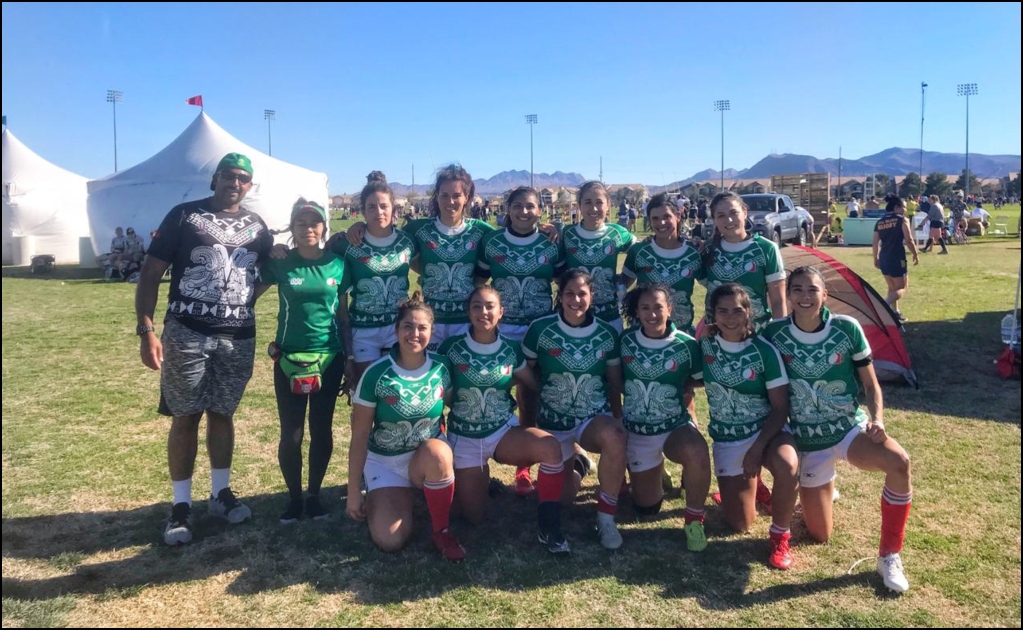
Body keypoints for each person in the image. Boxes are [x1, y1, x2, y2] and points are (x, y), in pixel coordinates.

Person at [135, 153, 273, 546]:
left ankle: (220, 493)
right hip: (187, 333)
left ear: (249, 185)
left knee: (223, 413)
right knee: (185, 416)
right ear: (214, 180)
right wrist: (146, 328)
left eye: (243, 179)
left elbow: (264, 273)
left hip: (237, 338)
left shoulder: (257, 226)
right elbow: (150, 273)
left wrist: (243, 300)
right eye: (229, 176)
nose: (236, 183)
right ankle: (181, 505)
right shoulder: (183, 215)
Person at [764, 266, 913, 593]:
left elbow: (871, 385)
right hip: (806, 442)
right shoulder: (772, 334)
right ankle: (821, 488)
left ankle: (889, 555)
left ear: (825, 295)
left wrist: (878, 419)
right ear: (787, 295)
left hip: (848, 429)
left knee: (899, 462)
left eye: (812, 290)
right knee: (820, 535)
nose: (805, 296)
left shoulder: (847, 327)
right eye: (797, 289)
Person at [440, 286, 570, 554]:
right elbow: (440, 393)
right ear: (468, 311)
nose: (483, 312)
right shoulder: (451, 348)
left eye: (490, 306)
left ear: (501, 312)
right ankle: (484, 482)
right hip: (465, 436)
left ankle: (549, 526)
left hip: (502, 432)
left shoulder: (511, 349)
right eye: (476, 306)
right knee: (474, 518)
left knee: (550, 447)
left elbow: (533, 384)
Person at [346, 292, 465, 561]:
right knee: (390, 540)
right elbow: (361, 435)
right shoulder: (376, 374)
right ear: (396, 330)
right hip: (386, 463)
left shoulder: (442, 368)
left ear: (432, 332)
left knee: (438, 452)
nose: (414, 333)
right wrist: (354, 490)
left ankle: (441, 531)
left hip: (426, 457)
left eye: (422, 327)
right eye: (407, 326)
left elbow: (455, 403)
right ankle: (398, 494)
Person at [695, 283, 799, 569]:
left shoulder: (764, 350)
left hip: (767, 431)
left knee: (788, 465)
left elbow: (780, 409)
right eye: (722, 311)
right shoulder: (704, 346)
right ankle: (758, 489)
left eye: (737, 310)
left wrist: (756, 449)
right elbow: (688, 377)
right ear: (713, 314)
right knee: (740, 524)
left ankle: (780, 536)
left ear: (748, 312)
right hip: (728, 438)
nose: (730, 317)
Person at [522, 269, 628, 550]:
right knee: (564, 500)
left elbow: (615, 382)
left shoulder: (606, 333)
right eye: (569, 293)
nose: (576, 299)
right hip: (552, 421)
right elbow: (526, 380)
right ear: (560, 296)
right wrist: (529, 422)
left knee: (615, 436)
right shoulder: (540, 329)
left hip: (592, 417)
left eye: (582, 293)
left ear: (592, 297)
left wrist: (618, 420)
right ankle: (578, 465)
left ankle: (606, 519)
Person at [261, 199, 352, 524]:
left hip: (329, 358)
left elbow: (343, 314)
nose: (308, 229)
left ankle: (314, 496)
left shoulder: (338, 265)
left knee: (322, 429)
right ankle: (294, 498)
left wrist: (350, 355)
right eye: (301, 223)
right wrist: (269, 249)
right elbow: (249, 292)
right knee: (292, 433)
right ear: (293, 228)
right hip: (289, 358)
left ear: (324, 227)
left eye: (314, 223)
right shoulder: (281, 264)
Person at [475, 187, 564, 497]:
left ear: (540, 211)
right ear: (507, 208)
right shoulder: (493, 242)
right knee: (493, 391)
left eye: (530, 207)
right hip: (503, 331)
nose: (524, 212)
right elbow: (479, 280)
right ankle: (474, 459)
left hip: (539, 330)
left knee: (531, 395)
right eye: (517, 206)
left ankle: (524, 467)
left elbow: (564, 282)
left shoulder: (552, 243)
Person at [620, 283, 711, 552]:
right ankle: (656, 472)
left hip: (674, 426)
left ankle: (694, 519)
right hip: (638, 430)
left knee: (696, 450)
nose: (652, 314)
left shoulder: (686, 345)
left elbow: (699, 380)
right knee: (646, 509)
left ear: (669, 309)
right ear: (636, 311)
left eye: (658, 307)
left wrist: (682, 387)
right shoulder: (625, 341)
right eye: (645, 308)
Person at [331, 172, 416, 386]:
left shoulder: (407, 241)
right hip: (363, 331)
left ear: (393, 210)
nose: (379, 212)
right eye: (371, 207)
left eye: (384, 206)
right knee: (366, 392)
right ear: (362, 211)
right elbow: (316, 255)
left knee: (397, 392)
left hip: (399, 327)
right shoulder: (347, 243)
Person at [700, 192, 787, 333]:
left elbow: (778, 301)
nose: (728, 220)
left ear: (745, 213)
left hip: (756, 335)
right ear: (714, 220)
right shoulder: (708, 249)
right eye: (721, 215)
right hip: (716, 336)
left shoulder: (767, 248)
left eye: (733, 213)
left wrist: (778, 335)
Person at [560, 181, 636, 332]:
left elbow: (641, 251)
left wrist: (625, 280)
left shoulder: (617, 233)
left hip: (609, 316)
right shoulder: (566, 234)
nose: (594, 208)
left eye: (599, 202)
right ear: (579, 205)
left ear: (608, 205)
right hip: (574, 315)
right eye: (587, 202)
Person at [622, 194, 703, 335]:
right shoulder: (638, 251)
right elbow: (622, 286)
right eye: (655, 218)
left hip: (680, 335)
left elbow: (715, 287)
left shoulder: (694, 252)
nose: (662, 223)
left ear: (678, 216)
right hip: (642, 334)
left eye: (667, 217)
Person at [872, 194, 919, 322]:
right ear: (896, 207)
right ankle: (882, 305)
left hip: (884, 257)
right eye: (903, 207)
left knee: (892, 288)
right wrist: (915, 253)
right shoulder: (902, 220)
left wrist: (875, 258)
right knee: (902, 288)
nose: (905, 210)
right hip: (897, 257)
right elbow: (909, 239)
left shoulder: (880, 222)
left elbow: (875, 243)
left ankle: (895, 312)